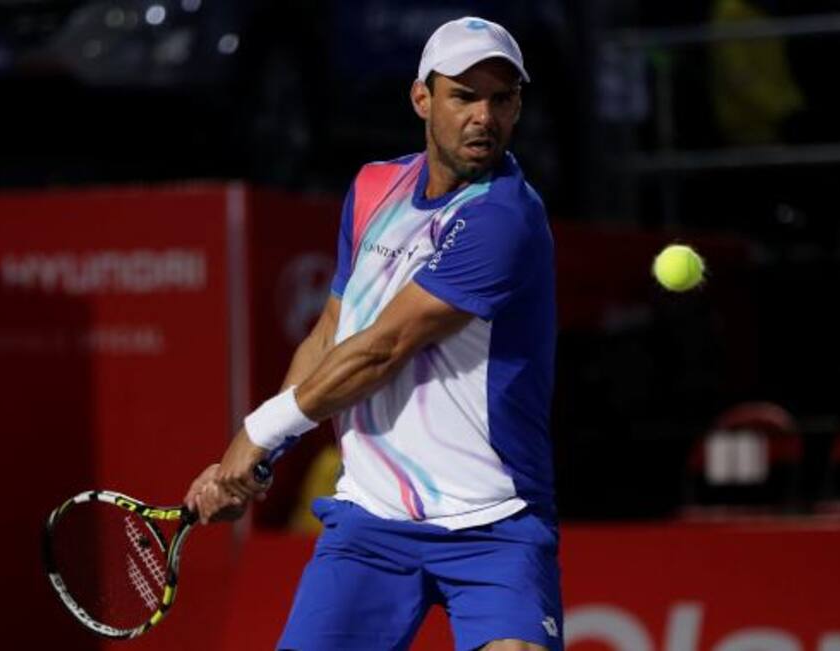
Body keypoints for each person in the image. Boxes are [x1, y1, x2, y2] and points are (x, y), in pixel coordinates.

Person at [184, 16, 561, 651]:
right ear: (423, 98)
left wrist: (255, 434)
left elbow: (382, 348)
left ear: (518, 106)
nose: (484, 116)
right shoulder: (372, 189)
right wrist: (261, 463)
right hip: (372, 524)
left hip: (495, 522)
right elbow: (334, 331)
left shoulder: (506, 217)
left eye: (502, 99)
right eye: (464, 96)